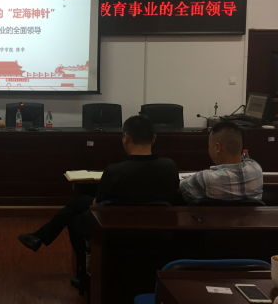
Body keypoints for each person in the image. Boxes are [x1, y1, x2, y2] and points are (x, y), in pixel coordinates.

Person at [17, 115, 180, 288]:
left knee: (75, 222)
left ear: (125, 138)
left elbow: (97, 207)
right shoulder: (170, 166)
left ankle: (87, 275)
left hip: (117, 227)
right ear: (154, 139)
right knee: (80, 201)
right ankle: (39, 237)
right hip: (158, 226)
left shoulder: (115, 170)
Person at [179, 121, 263, 203]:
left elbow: (181, 188)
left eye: (209, 146)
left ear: (217, 148)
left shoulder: (204, 179)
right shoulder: (256, 169)